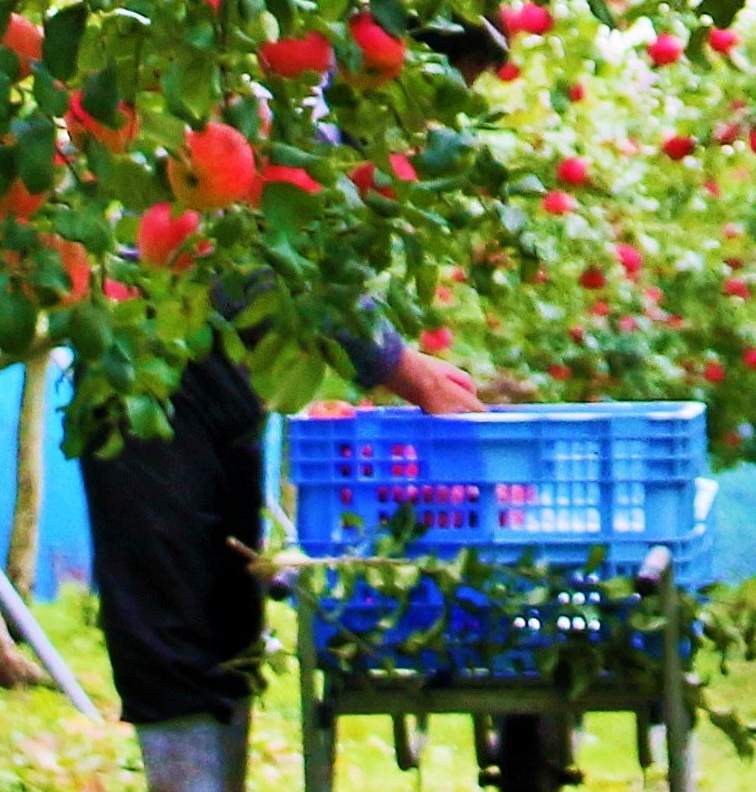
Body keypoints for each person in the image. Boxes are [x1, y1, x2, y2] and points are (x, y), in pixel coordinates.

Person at [80, 302, 483, 792]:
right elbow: (284, 277)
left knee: (228, 610)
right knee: (167, 602)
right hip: (141, 347)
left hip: (219, 352)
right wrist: (402, 367)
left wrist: (397, 360)